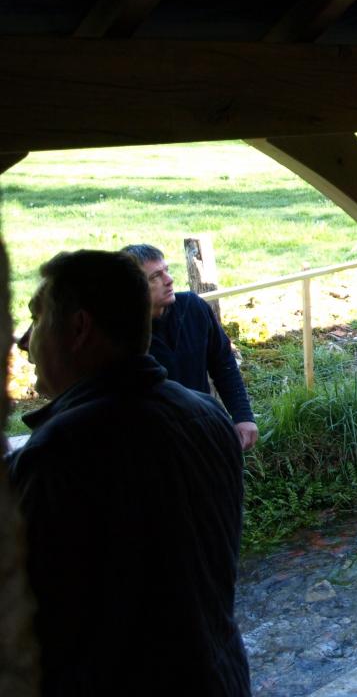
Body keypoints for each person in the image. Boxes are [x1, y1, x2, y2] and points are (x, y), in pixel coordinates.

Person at [6, 250, 250, 696]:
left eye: (36, 320)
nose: (25, 345)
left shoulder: (58, 455)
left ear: (78, 328)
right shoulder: (209, 418)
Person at [121, 243, 258, 450]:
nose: (169, 280)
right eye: (155, 276)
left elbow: (222, 362)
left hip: (203, 431)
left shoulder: (192, 308)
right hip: (150, 444)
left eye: (166, 270)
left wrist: (243, 416)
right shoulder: (118, 334)